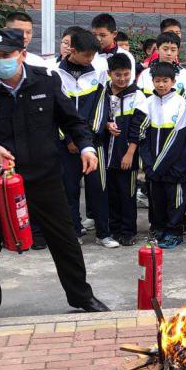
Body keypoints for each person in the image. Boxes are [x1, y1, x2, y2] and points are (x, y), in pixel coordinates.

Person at [0, 28, 109, 325]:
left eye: (5, 56)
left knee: (65, 241)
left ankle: (81, 296)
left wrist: (86, 146)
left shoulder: (45, 81)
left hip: (44, 177)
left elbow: (72, 120)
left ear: (21, 54)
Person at [56, 27, 116, 246]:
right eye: (86, 55)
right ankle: (74, 231)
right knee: (69, 189)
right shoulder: (56, 74)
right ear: (73, 50)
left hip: (93, 144)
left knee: (98, 188)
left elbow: (100, 109)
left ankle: (103, 233)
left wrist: (86, 142)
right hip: (66, 145)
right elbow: (57, 111)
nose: (90, 59)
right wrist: (69, 140)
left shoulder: (98, 73)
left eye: (93, 55)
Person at [140, 61, 186, 249]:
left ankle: (174, 231)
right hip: (153, 166)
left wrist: (159, 166)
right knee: (156, 198)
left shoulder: (180, 103)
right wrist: (148, 164)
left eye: (165, 81)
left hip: (174, 165)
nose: (161, 85)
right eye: (157, 81)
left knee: (175, 198)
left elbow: (178, 138)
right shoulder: (147, 103)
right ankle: (159, 228)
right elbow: (142, 135)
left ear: (173, 81)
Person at [103, 53, 147, 246]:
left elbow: (139, 127)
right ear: (109, 73)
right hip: (105, 155)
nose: (122, 79)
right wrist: (106, 125)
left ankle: (128, 231)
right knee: (110, 194)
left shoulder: (137, 95)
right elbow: (95, 118)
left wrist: (130, 153)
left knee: (127, 194)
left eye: (126, 74)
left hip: (126, 154)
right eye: (118, 74)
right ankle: (113, 229)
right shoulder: (101, 93)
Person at [0, 12, 49, 76]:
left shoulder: (38, 62)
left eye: (28, 32)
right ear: (6, 30)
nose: (24, 36)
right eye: (18, 31)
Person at [136, 32, 186, 97]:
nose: (169, 53)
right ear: (158, 49)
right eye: (165, 49)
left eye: (173, 50)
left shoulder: (184, 75)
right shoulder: (146, 74)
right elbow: (139, 101)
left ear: (178, 51)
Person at [92, 13, 137, 85]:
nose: (98, 39)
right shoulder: (89, 55)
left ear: (114, 34)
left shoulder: (127, 56)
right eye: (94, 35)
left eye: (103, 35)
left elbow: (129, 83)